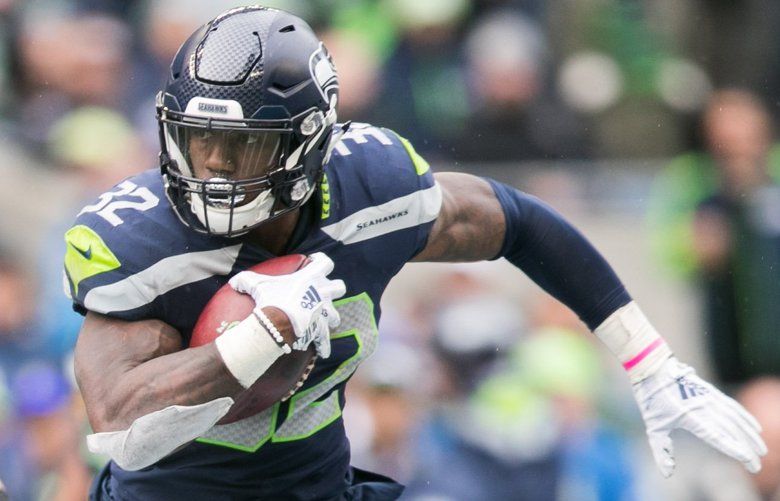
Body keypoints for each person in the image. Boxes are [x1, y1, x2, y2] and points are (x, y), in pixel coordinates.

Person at [66, 6, 766, 500]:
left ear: (309, 140)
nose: (213, 167)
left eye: (242, 146)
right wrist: (255, 342)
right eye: (197, 141)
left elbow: (515, 220)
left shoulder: (369, 188)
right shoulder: (143, 240)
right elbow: (119, 421)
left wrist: (647, 359)